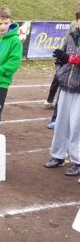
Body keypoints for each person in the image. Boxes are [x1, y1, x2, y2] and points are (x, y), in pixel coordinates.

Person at [44, 11, 80, 177]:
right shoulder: (72, 36)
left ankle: (77, 160)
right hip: (66, 86)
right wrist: (60, 71)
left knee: (76, 126)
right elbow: (61, 57)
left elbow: (68, 57)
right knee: (61, 123)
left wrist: (69, 59)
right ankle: (58, 155)